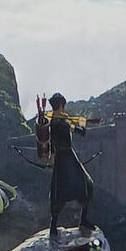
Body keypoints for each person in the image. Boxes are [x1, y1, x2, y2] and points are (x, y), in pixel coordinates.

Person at [45, 93, 95, 238]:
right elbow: (82, 132)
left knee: (58, 191)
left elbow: (51, 144)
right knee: (87, 184)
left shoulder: (51, 122)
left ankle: (53, 226)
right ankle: (83, 220)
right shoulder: (63, 123)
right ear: (61, 105)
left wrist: (51, 160)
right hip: (68, 158)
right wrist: (82, 122)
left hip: (59, 159)